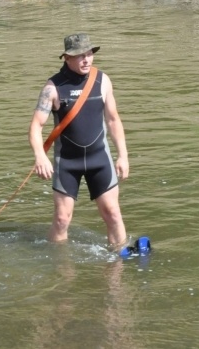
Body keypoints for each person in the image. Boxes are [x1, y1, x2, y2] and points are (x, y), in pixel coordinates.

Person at [29, 33, 129, 247]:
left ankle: (119, 261)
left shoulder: (102, 81)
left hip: (99, 159)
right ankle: (61, 264)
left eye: (89, 54)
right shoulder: (53, 88)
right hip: (67, 162)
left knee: (113, 214)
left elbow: (113, 120)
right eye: (80, 55)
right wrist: (40, 157)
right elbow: (36, 126)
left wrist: (123, 156)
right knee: (61, 220)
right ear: (67, 58)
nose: (86, 59)